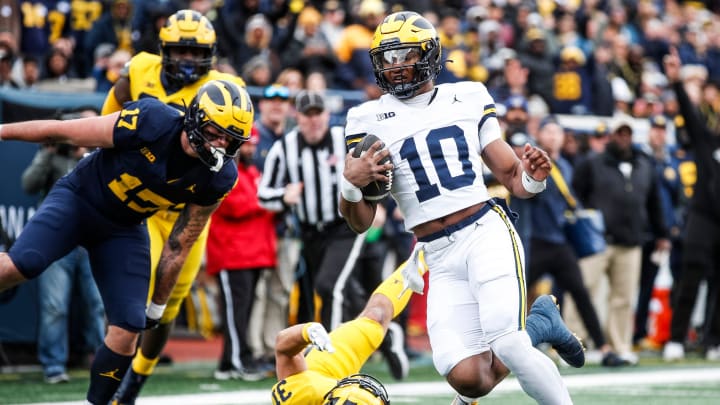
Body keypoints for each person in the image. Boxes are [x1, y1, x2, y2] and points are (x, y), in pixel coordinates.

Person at [340, 11, 582, 404]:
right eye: (387, 58)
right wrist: (352, 186)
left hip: (484, 232)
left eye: (405, 55)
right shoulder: (366, 119)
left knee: (508, 344)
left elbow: (512, 178)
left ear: (430, 54)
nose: (396, 67)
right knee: (469, 379)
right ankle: (540, 323)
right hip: (435, 252)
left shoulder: (467, 96)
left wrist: (534, 176)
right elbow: (360, 222)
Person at [0, 79, 254, 404]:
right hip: (80, 200)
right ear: (195, 118)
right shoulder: (152, 120)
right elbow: (64, 132)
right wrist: (4, 131)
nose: (220, 145)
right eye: (215, 132)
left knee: (129, 328)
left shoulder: (219, 176)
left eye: (230, 140)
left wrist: (157, 305)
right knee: (23, 263)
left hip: (124, 227)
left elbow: (180, 244)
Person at [99, 10, 249, 403]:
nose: (186, 58)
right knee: (133, 290)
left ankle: (137, 379)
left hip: (188, 213)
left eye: (194, 50)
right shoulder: (139, 71)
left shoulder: (226, 87)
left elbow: (235, 148)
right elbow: (109, 118)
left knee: (164, 308)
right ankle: (112, 374)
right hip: (143, 204)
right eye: (179, 49)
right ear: (163, 49)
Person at [270, 254, 577, 404]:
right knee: (476, 382)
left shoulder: (299, 394)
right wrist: (466, 398)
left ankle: (419, 260)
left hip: (322, 369)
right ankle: (538, 325)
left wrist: (309, 331)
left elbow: (283, 348)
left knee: (375, 318)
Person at [21, 109, 106, 383]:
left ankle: (106, 364)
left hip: (91, 241)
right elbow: (28, 184)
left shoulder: (97, 156)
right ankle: (54, 366)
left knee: (100, 304)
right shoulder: (52, 154)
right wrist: (46, 152)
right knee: (54, 306)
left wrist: (85, 154)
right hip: (57, 244)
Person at [662, 48, 720, 361]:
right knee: (690, 277)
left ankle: (713, 341)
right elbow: (689, 111)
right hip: (702, 217)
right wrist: (675, 82)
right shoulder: (707, 140)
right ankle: (675, 338)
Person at [205, 129, 275, 381]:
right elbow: (236, 205)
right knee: (236, 313)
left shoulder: (251, 173)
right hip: (231, 252)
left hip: (253, 252)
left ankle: (227, 362)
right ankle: (239, 361)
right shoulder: (224, 171)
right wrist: (270, 200)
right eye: (246, 145)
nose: (250, 150)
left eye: (253, 145)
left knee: (241, 312)